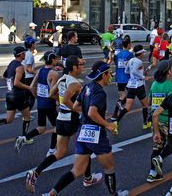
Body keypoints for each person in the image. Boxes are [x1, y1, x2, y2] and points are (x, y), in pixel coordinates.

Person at [39, 61, 128, 196]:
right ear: (103, 75)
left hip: (82, 133)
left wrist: (87, 111)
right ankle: (114, 194)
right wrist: (108, 124)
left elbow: (75, 106)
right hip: (96, 134)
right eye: (109, 73)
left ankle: (51, 193)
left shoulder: (87, 86)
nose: (110, 76)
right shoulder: (100, 92)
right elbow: (92, 112)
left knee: (77, 171)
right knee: (109, 168)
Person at [25, 55, 102, 193]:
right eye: (80, 64)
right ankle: (88, 178)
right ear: (74, 67)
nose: (82, 66)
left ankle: (35, 173)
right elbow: (66, 99)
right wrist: (78, 110)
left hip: (60, 118)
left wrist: (64, 103)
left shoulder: (62, 79)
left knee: (59, 153)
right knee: (85, 149)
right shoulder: (74, 83)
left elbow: (51, 94)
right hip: (71, 121)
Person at [15, 51, 61, 155]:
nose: (57, 61)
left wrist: (37, 97)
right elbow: (52, 92)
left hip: (40, 104)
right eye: (56, 59)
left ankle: (24, 138)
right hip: (49, 104)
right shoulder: (54, 74)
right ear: (53, 60)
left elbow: (31, 87)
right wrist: (59, 100)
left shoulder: (39, 71)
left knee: (41, 128)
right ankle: (51, 150)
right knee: (56, 127)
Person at [0, 46, 31, 140]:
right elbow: (16, 82)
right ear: (21, 55)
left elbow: (4, 77)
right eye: (24, 53)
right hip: (19, 96)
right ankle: (23, 138)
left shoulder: (11, 64)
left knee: (9, 119)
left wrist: (10, 83)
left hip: (9, 95)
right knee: (27, 117)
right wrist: (29, 87)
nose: (25, 55)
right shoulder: (20, 67)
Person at [147, 60, 172, 182]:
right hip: (167, 120)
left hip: (155, 120)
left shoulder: (154, 84)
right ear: (169, 71)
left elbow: (149, 101)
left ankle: (153, 173)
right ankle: (160, 158)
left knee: (157, 146)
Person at [114, 45, 151, 131]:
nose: (143, 54)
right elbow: (134, 71)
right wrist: (143, 77)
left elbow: (127, 71)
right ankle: (145, 123)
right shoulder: (139, 62)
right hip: (139, 86)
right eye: (143, 52)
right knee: (145, 105)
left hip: (130, 85)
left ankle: (116, 122)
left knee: (127, 107)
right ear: (141, 53)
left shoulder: (130, 60)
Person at [111, 39, 133, 121]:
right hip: (127, 78)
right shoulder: (130, 54)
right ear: (128, 45)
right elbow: (131, 67)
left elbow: (116, 66)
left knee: (122, 96)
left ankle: (114, 113)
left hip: (119, 78)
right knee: (132, 94)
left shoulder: (118, 54)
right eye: (131, 43)